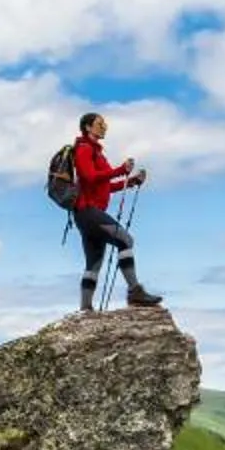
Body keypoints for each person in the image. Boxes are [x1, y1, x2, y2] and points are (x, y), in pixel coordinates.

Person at [68, 111, 164, 310]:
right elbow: (89, 177)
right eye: (99, 123)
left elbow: (104, 186)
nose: (104, 126)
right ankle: (134, 291)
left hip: (86, 215)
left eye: (104, 123)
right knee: (125, 240)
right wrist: (121, 170)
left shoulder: (95, 152)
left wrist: (130, 182)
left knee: (94, 263)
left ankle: (85, 310)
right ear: (88, 127)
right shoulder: (84, 149)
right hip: (88, 211)